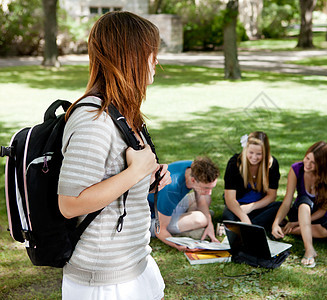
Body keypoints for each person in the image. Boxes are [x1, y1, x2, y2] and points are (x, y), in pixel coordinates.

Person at [57, 12, 171, 299]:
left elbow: (113, 184)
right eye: (151, 53)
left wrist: (148, 179)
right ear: (130, 56)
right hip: (103, 281)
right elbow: (70, 203)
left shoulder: (123, 114)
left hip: (134, 263)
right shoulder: (93, 120)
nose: (156, 61)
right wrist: (134, 172)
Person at [271, 141, 327, 268]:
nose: (307, 164)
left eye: (313, 162)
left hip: (318, 218)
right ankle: (309, 250)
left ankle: (290, 230)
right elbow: (287, 201)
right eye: (307, 158)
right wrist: (275, 223)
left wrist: (296, 224)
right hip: (300, 211)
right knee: (304, 203)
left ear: (322, 164)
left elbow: (323, 210)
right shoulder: (296, 169)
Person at [148, 157, 220, 251]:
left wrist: (210, 225)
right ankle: (187, 229)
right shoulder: (171, 189)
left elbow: (202, 200)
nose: (209, 192)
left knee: (206, 198)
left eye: (211, 188)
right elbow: (160, 230)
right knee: (201, 219)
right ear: (193, 180)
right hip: (153, 218)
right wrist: (178, 245)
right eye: (206, 188)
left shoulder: (194, 169)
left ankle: (188, 224)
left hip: (168, 206)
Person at [222, 131, 281, 232]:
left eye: (259, 154)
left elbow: (271, 196)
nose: (254, 157)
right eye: (251, 152)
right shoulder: (235, 163)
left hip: (259, 206)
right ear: (245, 149)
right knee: (229, 215)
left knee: (279, 206)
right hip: (238, 206)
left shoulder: (271, 165)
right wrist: (243, 216)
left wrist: (251, 207)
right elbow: (230, 199)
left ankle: (244, 226)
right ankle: (255, 225)